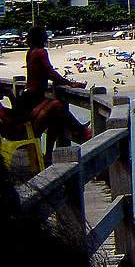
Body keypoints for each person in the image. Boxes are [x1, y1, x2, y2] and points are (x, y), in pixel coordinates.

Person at [0, 25, 91, 164]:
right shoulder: (40, 52)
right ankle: (79, 130)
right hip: (34, 97)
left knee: (55, 116)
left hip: (27, 95)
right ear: (42, 38)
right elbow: (48, 72)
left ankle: (51, 153)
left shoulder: (30, 52)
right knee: (57, 106)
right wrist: (70, 83)